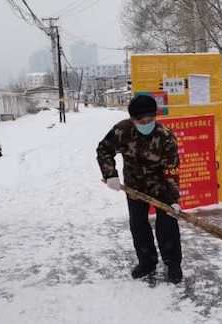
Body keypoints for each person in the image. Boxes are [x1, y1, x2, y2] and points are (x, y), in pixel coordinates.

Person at [96, 95, 183, 284]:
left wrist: (174, 199)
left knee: (167, 225)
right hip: (134, 185)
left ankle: (173, 263)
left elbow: (172, 169)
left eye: (150, 119)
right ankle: (147, 261)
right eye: (141, 120)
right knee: (138, 224)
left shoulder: (165, 136)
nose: (146, 123)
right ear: (132, 119)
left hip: (161, 186)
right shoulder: (122, 130)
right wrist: (110, 174)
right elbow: (104, 150)